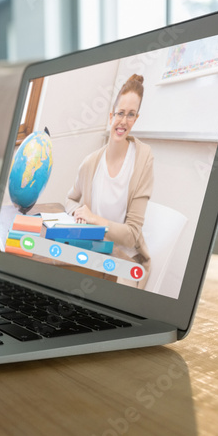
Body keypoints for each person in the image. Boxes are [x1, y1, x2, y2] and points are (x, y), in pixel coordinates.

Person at [65, 73, 154, 289]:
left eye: (131, 115)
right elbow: (70, 199)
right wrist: (78, 213)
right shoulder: (90, 163)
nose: (124, 121)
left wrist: (94, 219)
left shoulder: (143, 159)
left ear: (136, 119)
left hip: (124, 260)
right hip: (94, 251)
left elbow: (132, 235)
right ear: (111, 115)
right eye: (121, 113)